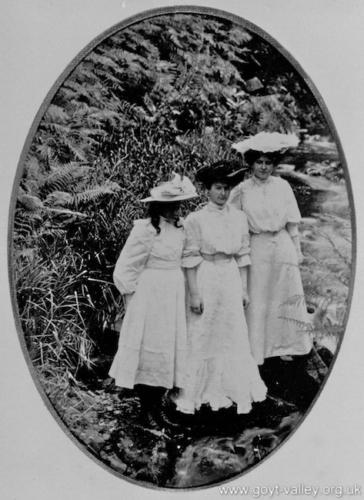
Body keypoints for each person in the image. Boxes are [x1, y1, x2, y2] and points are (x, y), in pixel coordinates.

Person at [175, 161, 267, 417]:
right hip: (206, 275)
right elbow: (191, 257)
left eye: (226, 188)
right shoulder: (196, 219)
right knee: (203, 329)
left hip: (230, 277)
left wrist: (244, 289)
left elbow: (244, 255)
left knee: (231, 330)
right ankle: (196, 391)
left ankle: (233, 387)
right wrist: (194, 293)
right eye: (217, 188)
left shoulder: (239, 218)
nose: (222, 194)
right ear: (207, 190)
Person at [109, 172, 198, 427]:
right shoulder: (146, 230)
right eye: (170, 205)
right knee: (149, 349)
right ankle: (146, 410)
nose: (175, 210)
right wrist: (131, 301)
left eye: (178, 205)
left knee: (167, 349)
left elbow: (188, 260)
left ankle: (158, 408)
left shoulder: (182, 229)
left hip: (173, 293)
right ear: (158, 206)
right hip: (150, 296)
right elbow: (124, 268)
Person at [229, 132, 313, 366]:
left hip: (282, 243)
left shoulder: (283, 186)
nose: (264, 167)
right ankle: (259, 349)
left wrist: (297, 249)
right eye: (259, 162)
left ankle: (289, 345)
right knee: (260, 296)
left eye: (268, 163)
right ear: (251, 164)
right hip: (258, 246)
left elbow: (292, 221)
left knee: (285, 294)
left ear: (274, 165)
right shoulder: (242, 190)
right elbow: (230, 219)